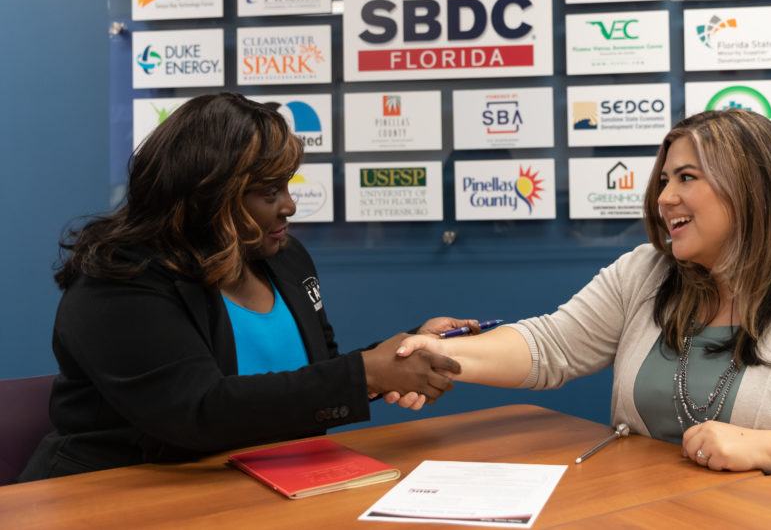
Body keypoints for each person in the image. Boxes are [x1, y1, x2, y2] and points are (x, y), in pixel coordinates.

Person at [398, 109, 771, 506]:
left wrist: (762, 448)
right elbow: (550, 347)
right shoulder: (645, 274)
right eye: (664, 180)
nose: (663, 198)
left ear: (752, 188)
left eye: (686, 178)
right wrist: (443, 356)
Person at [19, 93, 471, 481]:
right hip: (112, 496)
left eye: (287, 188)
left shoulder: (284, 257)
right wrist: (367, 372)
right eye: (270, 192)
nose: (290, 206)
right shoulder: (119, 280)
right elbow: (197, 412)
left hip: (253, 485)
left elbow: (315, 373)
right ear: (205, 195)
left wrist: (400, 355)